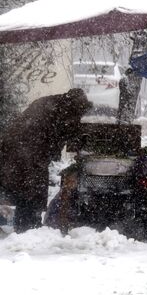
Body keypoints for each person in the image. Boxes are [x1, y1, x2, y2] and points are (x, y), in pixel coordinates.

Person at [0, 88, 92, 233]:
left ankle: (26, 224)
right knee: (31, 189)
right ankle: (28, 227)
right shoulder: (63, 111)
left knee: (23, 189)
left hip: (15, 148)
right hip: (26, 152)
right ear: (76, 107)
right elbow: (67, 133)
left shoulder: (52, 103)